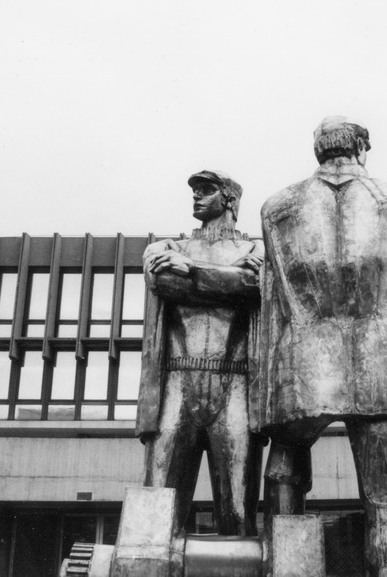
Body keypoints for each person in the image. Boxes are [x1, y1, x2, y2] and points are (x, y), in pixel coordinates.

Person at [252, 116, 387, 577]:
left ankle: (287, 565)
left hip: (304, 359)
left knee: (286, 468)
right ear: (362, 148)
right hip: (383, 360)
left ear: (318, 150)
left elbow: (274, 293)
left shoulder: (277, 207)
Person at [137, 170, 264, 537]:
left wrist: (191, 271)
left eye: (207, 190)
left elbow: (255, 284)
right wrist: (230, 277)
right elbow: (164, 282)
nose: (196, 196)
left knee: (238, 516)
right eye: (195, 190)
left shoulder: (257, 250)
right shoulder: (165, 248)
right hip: (177, 383)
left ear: (230, 199)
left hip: (235, 385)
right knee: (157, 512)